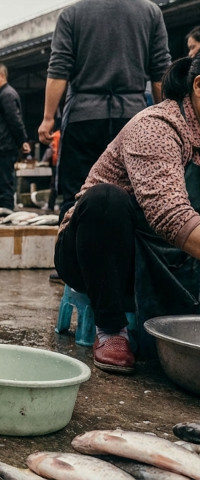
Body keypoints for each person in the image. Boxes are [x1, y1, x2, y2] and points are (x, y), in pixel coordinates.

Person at [55, 55, 200, 374]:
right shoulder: (157, 126)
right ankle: (111, 328)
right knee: (105, 200)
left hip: (167, 262)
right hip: (95, 254)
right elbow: (172, 216)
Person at [38, 0, 171, 219]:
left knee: (76, 195)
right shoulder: (150, 12)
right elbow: (160, 73)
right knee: (136, 195)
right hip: (133, 119)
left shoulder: (71, 15)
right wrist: (164, 119)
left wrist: (47, 118)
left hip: (83, 118)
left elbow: (58, 71)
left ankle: (73, 256)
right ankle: (128, 257)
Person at [0, 63, 31, 214]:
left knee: (4, 182)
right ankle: (2, 209)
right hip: (0, 146)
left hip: (5, 146)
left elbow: (14, 120)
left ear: (2, 76)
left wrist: (22, 140)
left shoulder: (7, 95)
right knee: (0, 182)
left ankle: (6, 210)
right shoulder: (1, 94)